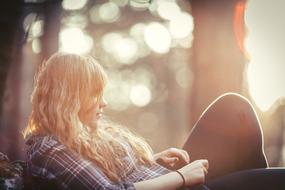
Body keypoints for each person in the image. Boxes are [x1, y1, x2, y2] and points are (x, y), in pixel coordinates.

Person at [23, 52, 285, 190]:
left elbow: (114, 176)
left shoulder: (79, 134)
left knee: (233, 107)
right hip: (181, 186)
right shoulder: (50, 148)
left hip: (174, 180)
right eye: (94, 95)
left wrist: (155, 160)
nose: (104, 103)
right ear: (70, 98)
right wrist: (182, 177)